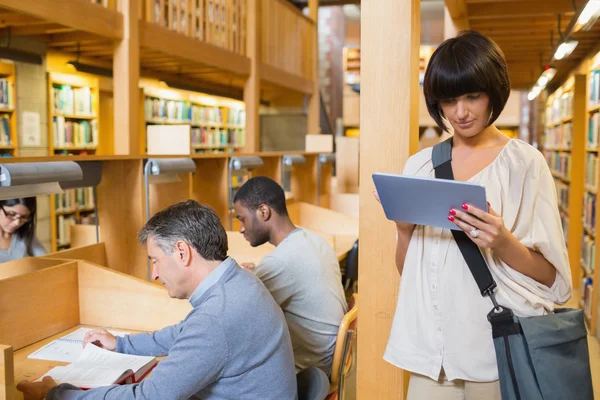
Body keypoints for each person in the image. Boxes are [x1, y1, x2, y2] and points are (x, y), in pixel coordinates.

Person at [377, 31, 572, 399]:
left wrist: (502, 242)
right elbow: (411, 272)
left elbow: (552, 280)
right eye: (449, 100)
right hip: (432, 356)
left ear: (493, 92)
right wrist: (404, 231)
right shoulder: (420, 167)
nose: (460, 113)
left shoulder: (524, 164)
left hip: (495, 347)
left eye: (472, 96)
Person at [17, 200, 297, 400]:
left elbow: (149, 396)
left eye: (155, 261)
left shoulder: (217, 317)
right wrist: (121, 344)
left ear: (182, 252)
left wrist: (55, 394)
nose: (153, 274)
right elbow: (184, 333)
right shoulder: (239, 281)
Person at [233, 176, 347, 376]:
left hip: (306, 371)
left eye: (242, 218)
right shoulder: (314, 240)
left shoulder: (280, 262)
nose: (241, 228)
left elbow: (240, 316)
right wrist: (256, 274)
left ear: (264, 212)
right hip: (329, 361)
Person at [0, 197, 46, 263]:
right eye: (11, 214)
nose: (17, 223)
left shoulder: (25, 233)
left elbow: (45, 260)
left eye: (24, 217)